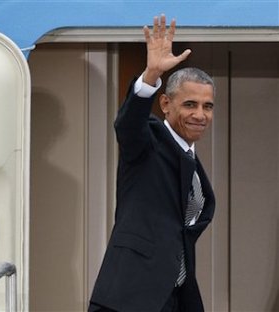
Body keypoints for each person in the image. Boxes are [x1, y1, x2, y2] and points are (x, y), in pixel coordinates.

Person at [88, 14, 216, 312]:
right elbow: (128, 126)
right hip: (129, 296)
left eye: (207, 106)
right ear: (166, 104)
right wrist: (150, 77)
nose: (200, 114)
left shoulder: (192, 161)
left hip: (174, 297)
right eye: (190, 104)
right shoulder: (150, 141)